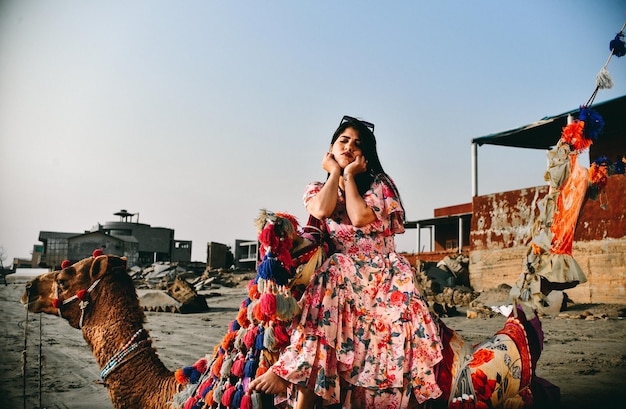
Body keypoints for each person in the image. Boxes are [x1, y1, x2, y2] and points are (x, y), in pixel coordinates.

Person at [249, 116, 443, 408]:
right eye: (344, 141)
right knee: (329, 288)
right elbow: (323, 209)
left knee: (336, 271)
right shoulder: (317, 188)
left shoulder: (380, 184)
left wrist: (349, 177)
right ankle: (300, 384)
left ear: (365, 154)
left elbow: (360, 217)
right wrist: (334, 174)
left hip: (383, 273)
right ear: (331, 147)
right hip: (342, 277)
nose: (350, 147)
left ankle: (301, 376)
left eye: (358, 144)